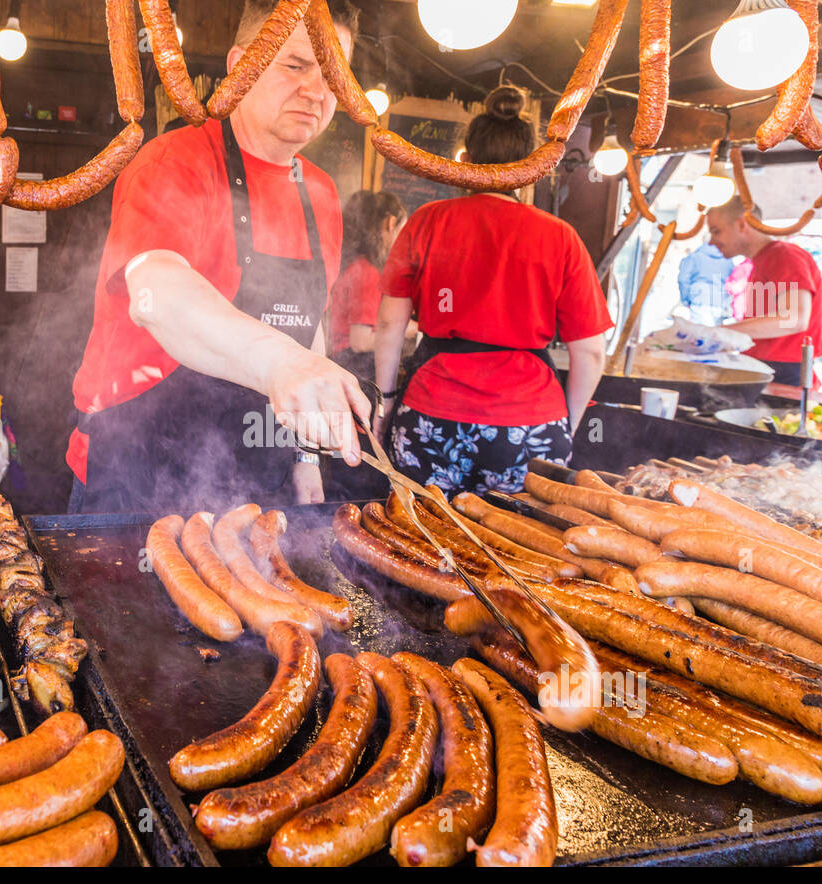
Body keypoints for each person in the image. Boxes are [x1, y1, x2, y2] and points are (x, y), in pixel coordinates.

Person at [65, 0, 368, 515]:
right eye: (294, 65)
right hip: (140, 466)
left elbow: (306, 324)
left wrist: (307, 456)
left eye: (334, 76)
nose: (316, 91)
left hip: (257, 476)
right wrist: (283, 363)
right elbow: (157, 292)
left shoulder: (320, 193)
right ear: (238, 67)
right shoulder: (174, 160)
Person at [371, 87, 612, 496]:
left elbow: (389, 324)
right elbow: (590, 351)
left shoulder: (427, 221)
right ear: (534, 168)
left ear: (464, 161)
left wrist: (386, 402)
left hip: (433, 412)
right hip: (532, 420)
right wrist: (561, 425)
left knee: (422, 539)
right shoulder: (561, 238)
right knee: (519, 549)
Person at [706, 198, 822, 388]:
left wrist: (717, 333)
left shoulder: (784, 255)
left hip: (784, 373)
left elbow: (794, 319)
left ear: (741, 225)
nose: (712, 241)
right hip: (767, 367)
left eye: (716, 231)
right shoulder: (762, 261)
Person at [328, 189, 408, 381]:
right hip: (355, 368)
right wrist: (405, 329)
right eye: (401, 230)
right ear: (390, 223)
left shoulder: (352, 264)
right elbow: (361, 342)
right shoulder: (366, 272)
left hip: (340, 364)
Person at [677, 242, 734, 325]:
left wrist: (685, 300)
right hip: (720, 303)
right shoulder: (728, 260)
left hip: (699, 301)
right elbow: (731, 281)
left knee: (700, 334)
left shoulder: (694, 257)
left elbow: (683, 279)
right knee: (714, 335)